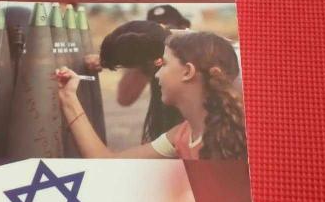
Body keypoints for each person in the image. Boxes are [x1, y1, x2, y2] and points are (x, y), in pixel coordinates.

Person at [55, 30, 247, 160]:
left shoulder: (243, 135)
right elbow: (106, 161)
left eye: (164, 64)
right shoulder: (181, 135)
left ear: (187, 72)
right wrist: (69, 97)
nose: (156, 75)